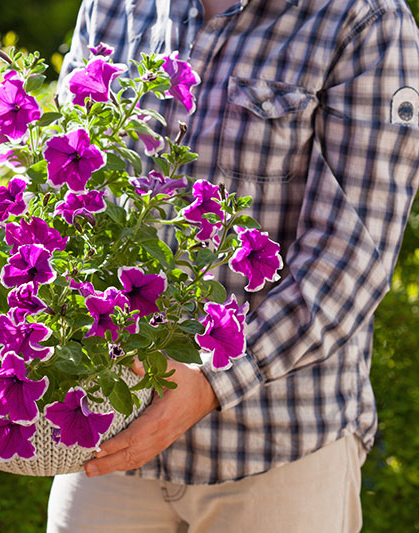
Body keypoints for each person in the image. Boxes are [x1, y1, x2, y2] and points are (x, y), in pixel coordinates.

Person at [47, 0, 419, 530]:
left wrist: (212, 383)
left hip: (275, 449)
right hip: (107, 434)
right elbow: (59, 181)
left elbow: (352, 255)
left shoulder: (365, 19)